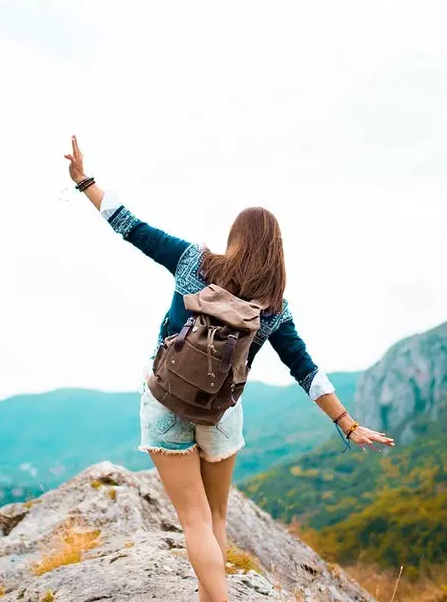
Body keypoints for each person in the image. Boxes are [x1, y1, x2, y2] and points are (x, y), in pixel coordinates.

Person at [64, 136, 394, 602]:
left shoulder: (192, 262)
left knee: (194, 521)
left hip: (164, 402)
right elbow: (307, 371)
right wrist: (347, 423)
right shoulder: (273, 308)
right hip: (220, 413)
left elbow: (129, 224)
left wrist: (85, 182)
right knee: (215, 518)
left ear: (235, 237)